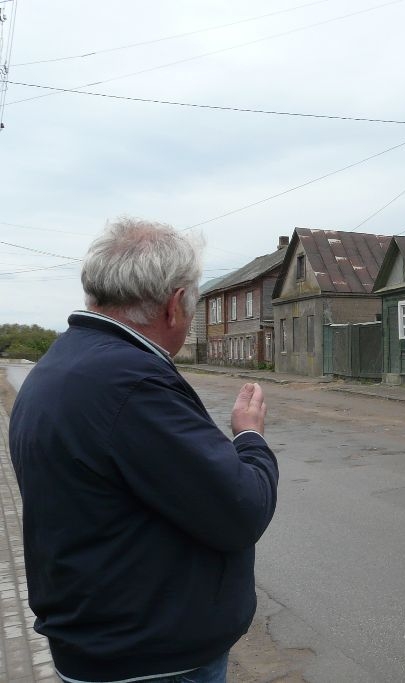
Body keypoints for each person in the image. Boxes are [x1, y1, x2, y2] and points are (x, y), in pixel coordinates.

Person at [9, 218, 279, 683]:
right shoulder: (130, 384)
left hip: (103, 642)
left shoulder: (62, 362)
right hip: (152, 660)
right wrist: (249, 437)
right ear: (176, 306)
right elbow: (241, 510)